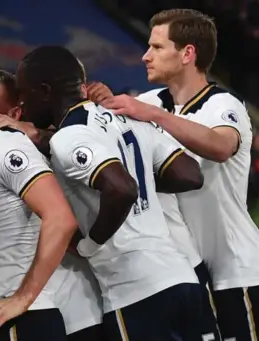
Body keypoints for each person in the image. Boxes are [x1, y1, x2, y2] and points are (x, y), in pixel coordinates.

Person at [15, 45, 211, 341]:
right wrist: (138, 168)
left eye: (24, 93)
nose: (22, 104)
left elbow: (122, 188)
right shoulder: (127, 117)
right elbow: (188, 174)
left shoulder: (69, 136)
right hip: (183, 279)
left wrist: (90, 244)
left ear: (44, 91)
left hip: (135, 292)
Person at [103, 9, 259, 340]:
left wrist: (155, 116)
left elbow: (220, 145)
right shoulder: (153, 101)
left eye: (157, 48)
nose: (146, 56)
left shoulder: (222, 105)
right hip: (189, 273)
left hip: (236, 270)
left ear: (188, 53)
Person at [0, 69, 104, 341]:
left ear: (14, 113)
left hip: (68, 308)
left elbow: (63, 222)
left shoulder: (21, 149)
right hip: (22, 310)